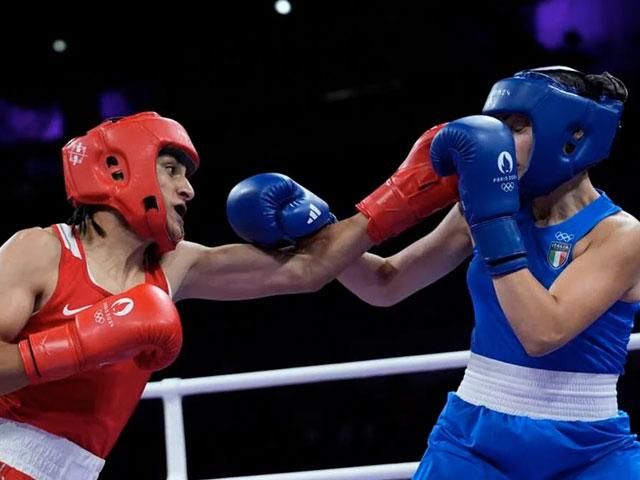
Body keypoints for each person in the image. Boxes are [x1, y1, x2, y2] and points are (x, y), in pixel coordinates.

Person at [0, 112, 458, 479]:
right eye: (171, 170)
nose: (188, 189)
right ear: (119, 169)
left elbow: (308, 269)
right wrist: (78, 343)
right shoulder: (42, 250)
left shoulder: (173, 266)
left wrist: (402, 195)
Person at [337, 66, 640, 478]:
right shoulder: (480, 208)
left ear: (572, 136)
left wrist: (492, 224)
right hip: (474, 438)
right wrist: (318, 230)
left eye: (518, 127)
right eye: (496, 127)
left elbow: (542, 332)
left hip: (589, 449)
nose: (499, 142)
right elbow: (385, 283)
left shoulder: (620, 235)